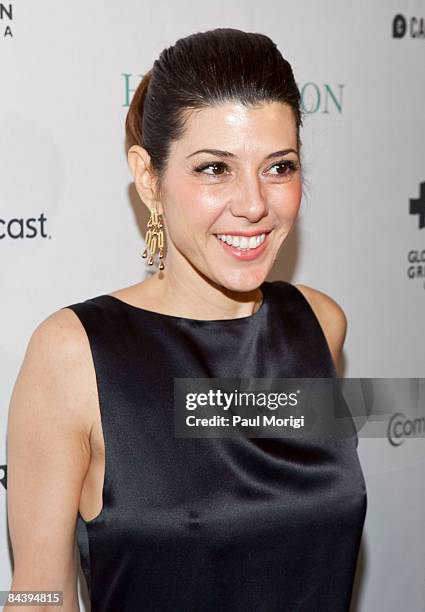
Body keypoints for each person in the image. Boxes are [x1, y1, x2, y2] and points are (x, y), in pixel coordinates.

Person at [6, 27, 367, 611]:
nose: (253, 203)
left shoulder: (320, 325)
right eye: (214, 169)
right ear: (150, 178)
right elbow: (39, 598)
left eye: (279, 167)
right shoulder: (74, 355)